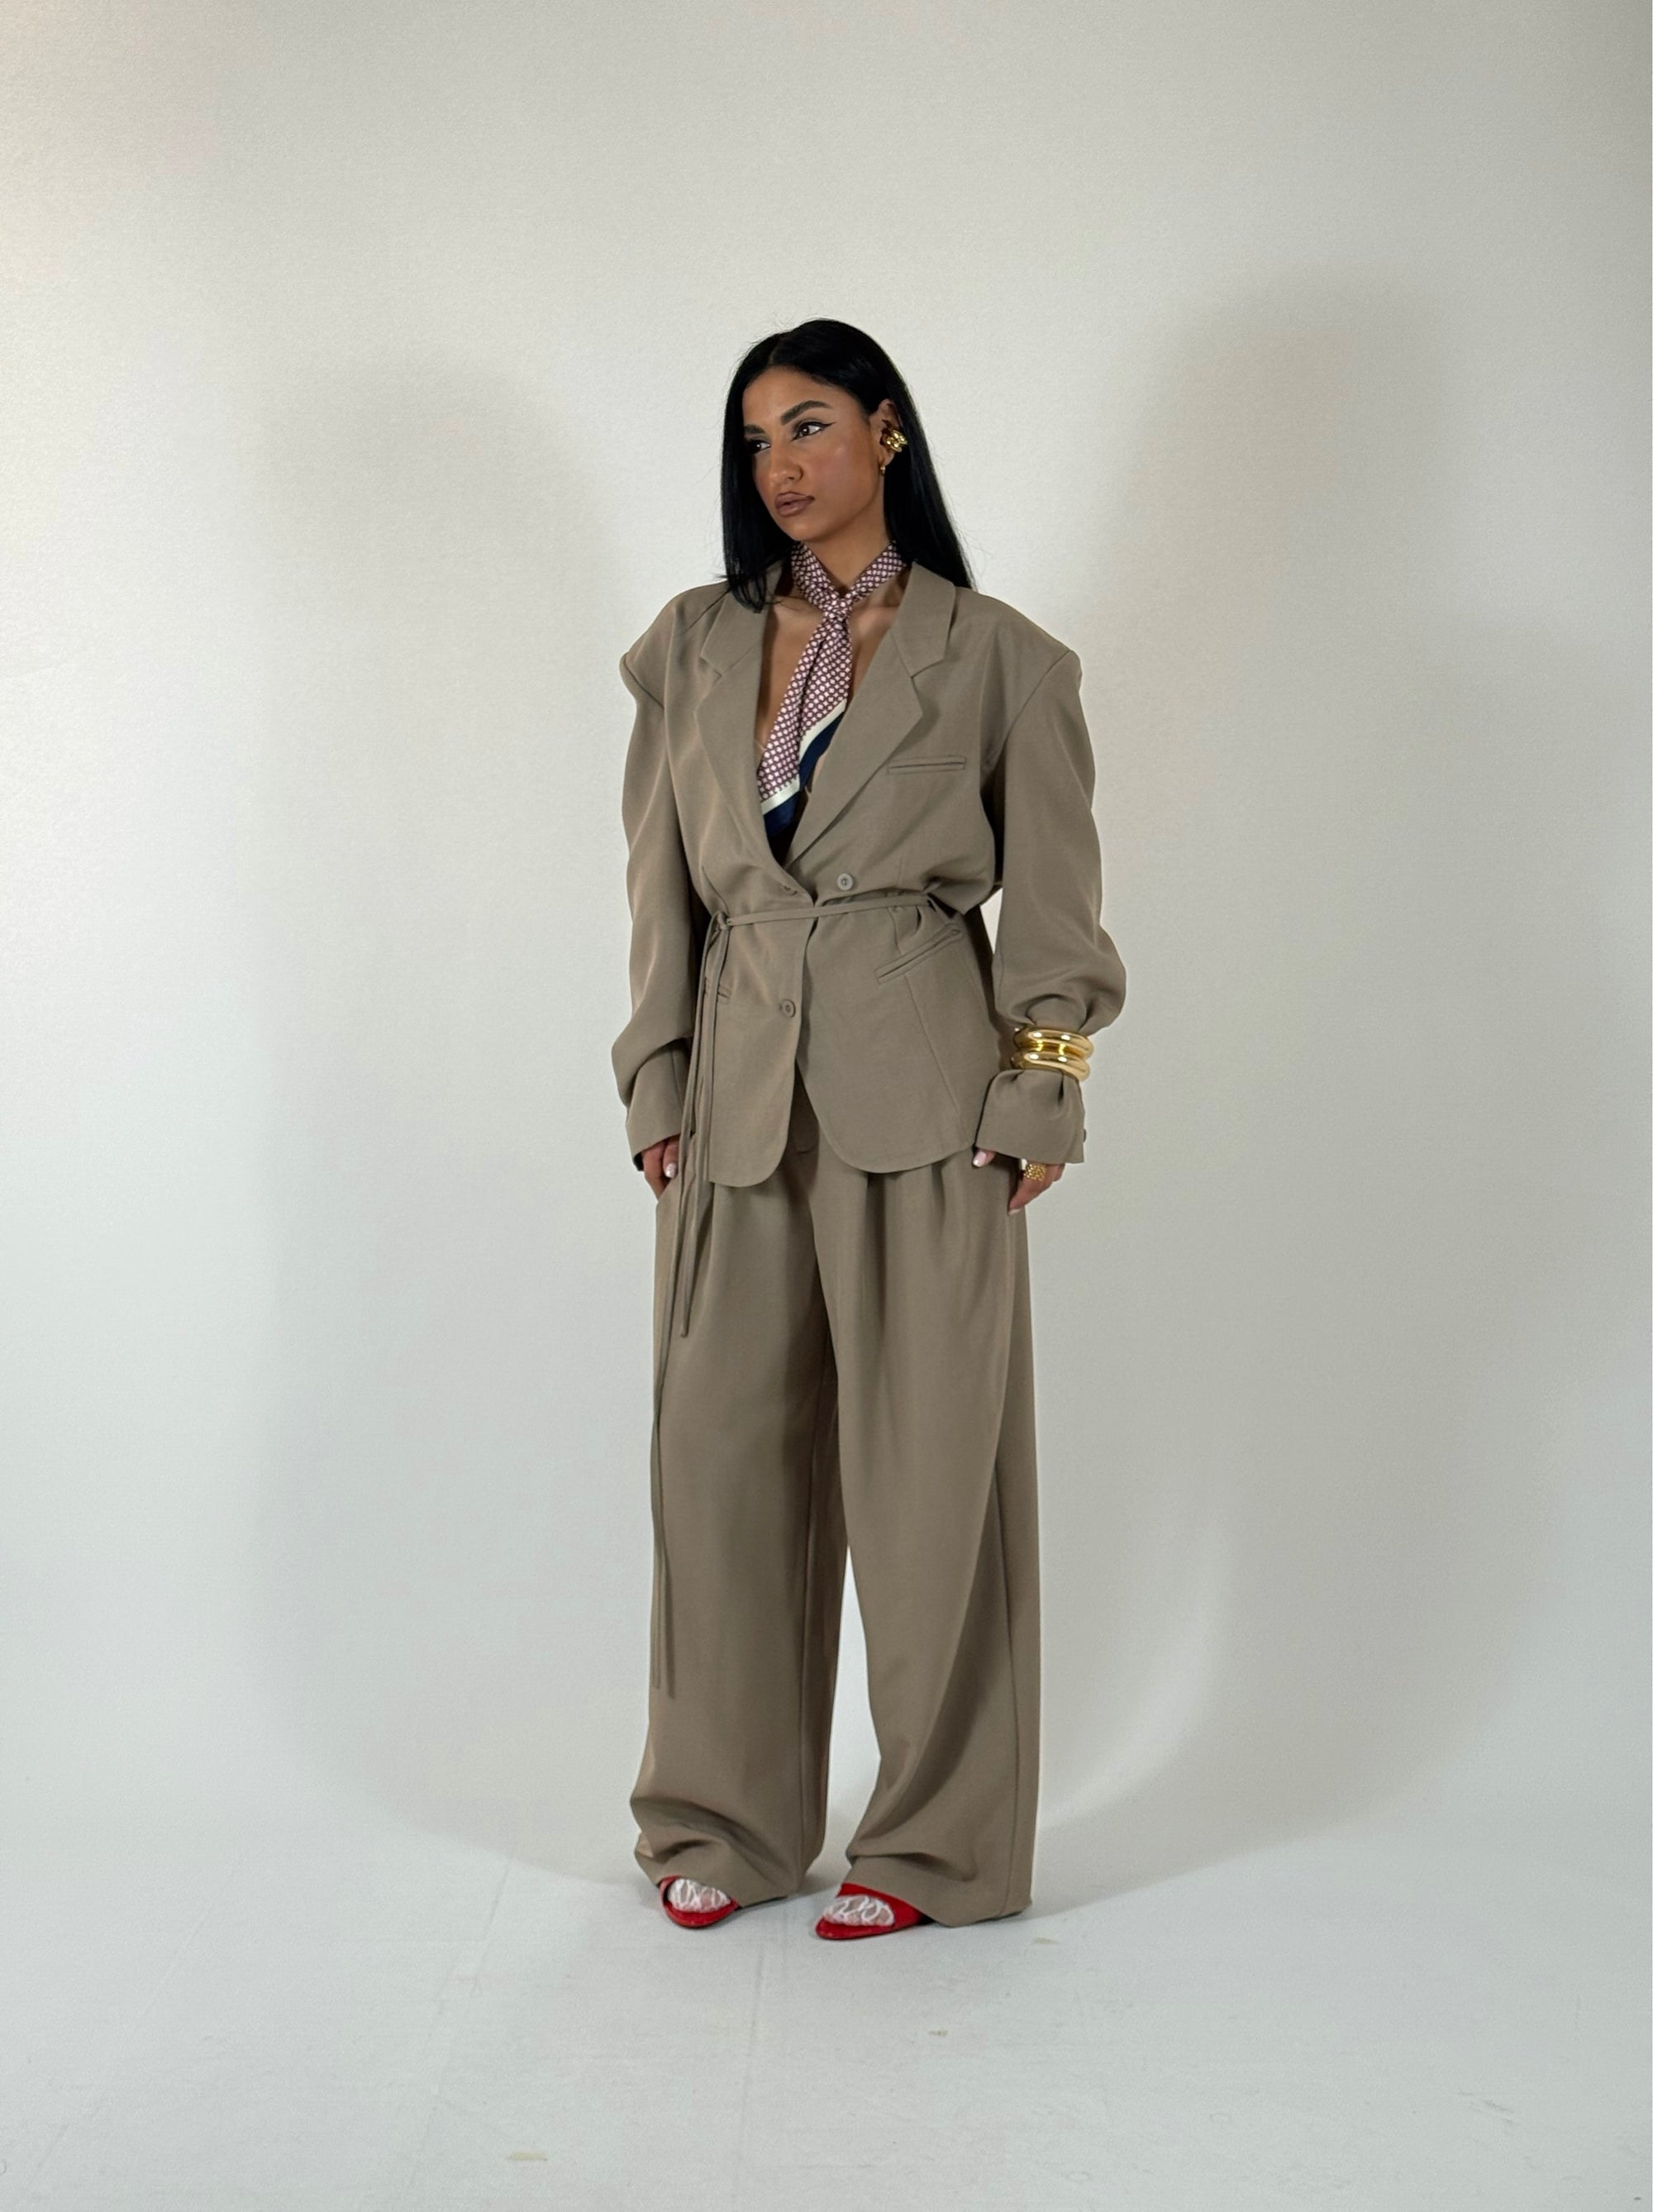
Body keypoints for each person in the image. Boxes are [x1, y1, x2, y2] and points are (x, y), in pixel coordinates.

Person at [610, 318, 1126, 1941]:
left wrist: (1041, 1089)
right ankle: (726, 1816)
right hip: (735, 1099)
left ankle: (936, 1847)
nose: (781, 464)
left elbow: (1057, 901)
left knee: (932, 1479)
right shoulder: (690, 647)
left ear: (887, 432)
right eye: (757, 437)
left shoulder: (1003, 659)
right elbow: (659, 892)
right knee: (717, 1472)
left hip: (929, 1098)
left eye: (813, 425)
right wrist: (656, 1078)